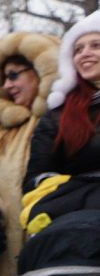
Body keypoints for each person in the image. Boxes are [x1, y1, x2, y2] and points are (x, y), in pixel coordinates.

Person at [0, 31, 58, 276]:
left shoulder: (63, 122)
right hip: (3, 262)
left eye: (14, 75)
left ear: (41, 70)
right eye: (3, 78)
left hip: (52, 254)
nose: (7, 86)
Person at [26, 12, 100, 186]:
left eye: (95, 45)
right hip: (82, 206)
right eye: (78, 50)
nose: (84, 54)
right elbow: (33, 179)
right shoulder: (57, 115)